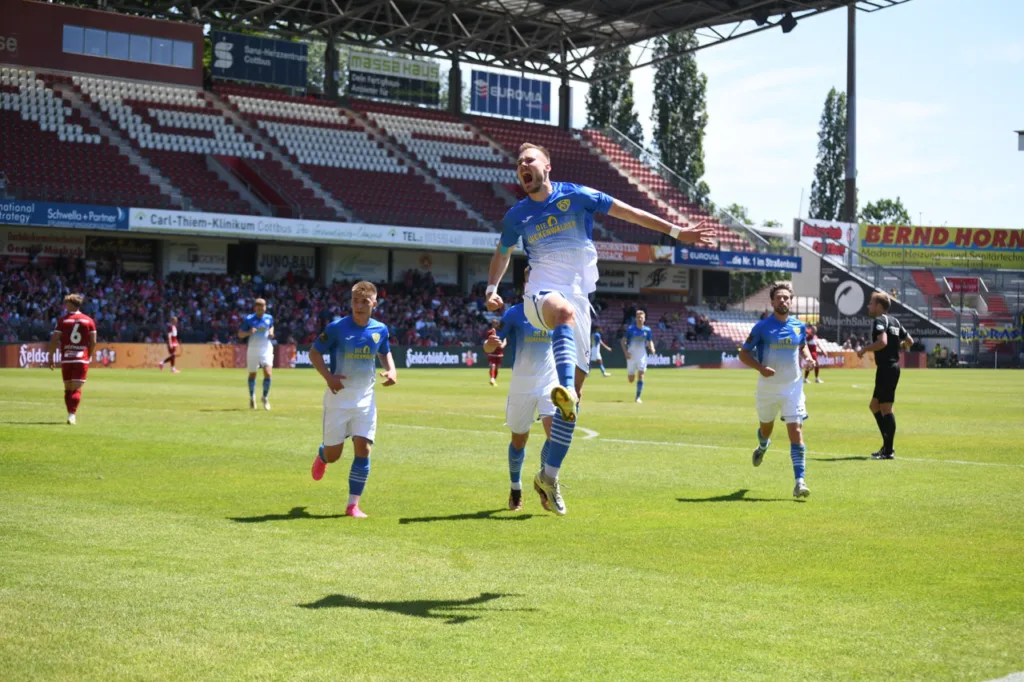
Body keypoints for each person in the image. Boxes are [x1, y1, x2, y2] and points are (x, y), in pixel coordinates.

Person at [485, 142, 714, 514]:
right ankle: (562, 387)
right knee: (562, 315)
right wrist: (491, 288)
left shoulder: (576, 195)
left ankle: (548, 476)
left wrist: (676, 232)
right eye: (518, 163)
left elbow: (629, 212)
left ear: (547, 166)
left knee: (571, 409)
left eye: (529, 160)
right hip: (541, 295)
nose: (522, 165)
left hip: (580, 299)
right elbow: (502, 251)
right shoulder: (518, 215)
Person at [308, 281, 397, 518]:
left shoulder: (380, 329)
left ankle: (352, 505)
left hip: (365, 399)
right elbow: (314, 353)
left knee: (364, 449)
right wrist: (329, 377)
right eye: (355, 301)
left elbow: (384, 351)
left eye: (364, 302)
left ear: (374, 304)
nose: (359, 306)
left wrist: (392, 370)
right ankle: (323, 455)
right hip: (338, 398)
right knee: (334, 455)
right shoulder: (336, 328)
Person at [738, 282, 815, 498]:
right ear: (772, 302)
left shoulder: (799, 326)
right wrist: (760, 368)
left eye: (786, 297)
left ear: (791, 301)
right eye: (779, 297)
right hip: (768, 388)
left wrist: (808, 358)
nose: (783, 300)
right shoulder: (762, 327)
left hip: (793, 387)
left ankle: (800, 482)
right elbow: (743, 354)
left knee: (796, 431)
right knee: (766, 429)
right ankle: (763, 446)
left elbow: (802, 346)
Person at [484, 295, 558, 512]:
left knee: (555, 435)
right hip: (521, 385)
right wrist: (489, 345)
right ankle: (515, 487)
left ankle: (544, 481)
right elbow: (491, 346)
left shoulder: (554, 310)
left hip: (549, 382)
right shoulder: (514, 313)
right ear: (527, 283)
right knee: (518, 441)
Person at [858, 292, 912, 460]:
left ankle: (888, 450)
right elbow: (909, 340)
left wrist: (865, 349)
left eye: (871, 303)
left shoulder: (880, 321)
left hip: (887, 368)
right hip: (889, 368)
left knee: (886, 409)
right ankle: (886, 445)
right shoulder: (895, 321)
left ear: (879, 306)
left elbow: (882, 342)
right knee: (874, 406)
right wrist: (900, 346)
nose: (868, 306)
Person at [47, 294, 96, 425]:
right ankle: (71, 415)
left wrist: (51, 356)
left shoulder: (63, 321)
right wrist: (89, 355)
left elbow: (54, 340)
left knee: (68, 389)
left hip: (67, 358)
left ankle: (70, 414)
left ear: (70, 305)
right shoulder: (89, 321)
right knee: (75, 389)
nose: (65, 306)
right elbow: (93, 342)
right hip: (81, 359)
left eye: (66, 304)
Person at [239, 298, 275, 410]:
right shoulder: (249, 319)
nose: (260, 311)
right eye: (258, 309)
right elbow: (240, 334)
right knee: (252, 375)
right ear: (255, 308)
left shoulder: (269, 318)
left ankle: (265, 397)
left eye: (262, 308)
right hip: (253, 349)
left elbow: (271, 326)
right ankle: (252, 397)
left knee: (268, 373)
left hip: (266, 348)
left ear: (265, 308)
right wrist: (248, 332)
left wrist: (271, 332)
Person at [622, 310, 655, 403]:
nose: (640, 319)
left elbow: (649, 341)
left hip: (642, 355)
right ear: (636, 319)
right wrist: (625, 353)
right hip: (631, 355)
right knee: (631, 379)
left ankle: (638, 397)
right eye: (638, 317)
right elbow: (623, 341)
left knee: (641, 375)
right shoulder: (630, 329)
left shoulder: (647, 330)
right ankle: (632, 375)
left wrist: (652, 348)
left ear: (644, 319)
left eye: (641, 317)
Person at [485, 319, 504, 386]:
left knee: (497, 367)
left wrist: (502, 345)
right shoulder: (489, 332)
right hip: (492, 351)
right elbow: (486, 342)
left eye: (496, 323)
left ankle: (494, 379)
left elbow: (504, 339)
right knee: (493, 365)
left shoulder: (501, 332)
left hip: (499, 352)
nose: (495, 324)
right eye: (494, 323)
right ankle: (492, 379)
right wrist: (486, 350)